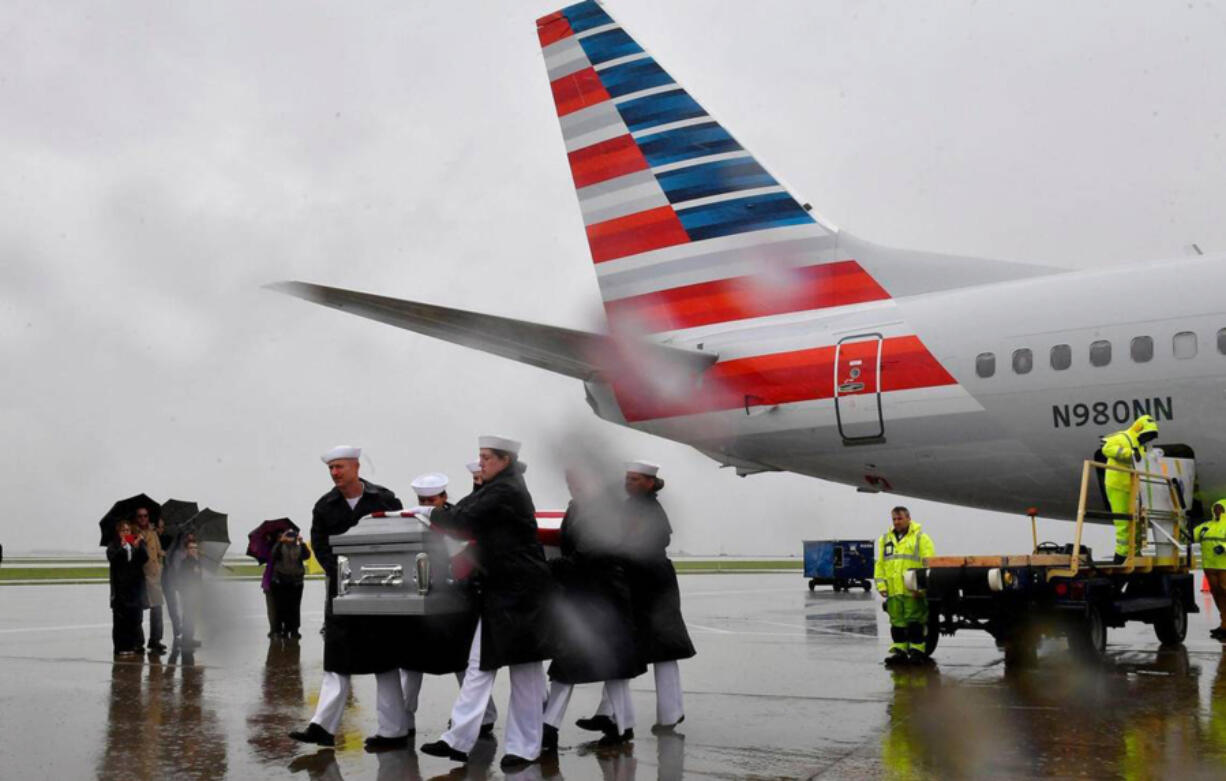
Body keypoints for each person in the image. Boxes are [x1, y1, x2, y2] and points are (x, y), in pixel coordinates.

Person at [420, 435, 552, 771]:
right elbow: (463, 510)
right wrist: (438, 511)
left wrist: (431, 511)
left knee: (525, 672)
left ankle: (525, 747)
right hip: (504, 588)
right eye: (479, 457)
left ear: (504, 460)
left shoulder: (506, 491)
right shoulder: (497, 489)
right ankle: (459, 739)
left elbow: (459, 520)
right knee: (480, 664)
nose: (481, 463)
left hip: (522, 591)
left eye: (486, 457)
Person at [290, 445, 406, 749]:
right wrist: (342, 574)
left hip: (381, 588)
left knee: (386, 661)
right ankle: (322, 727)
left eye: (340, 467)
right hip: (342, 590)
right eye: (331, 468)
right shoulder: (325, 506)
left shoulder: (384, 499)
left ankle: (393, 731)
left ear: (356, 466)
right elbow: (320, 544)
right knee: (337, 658)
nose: (335, 473)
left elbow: (400, 536)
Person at [580, 461, 695, 737]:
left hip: (653, 585)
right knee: (627, 648)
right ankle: (609, 713)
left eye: (634, 479)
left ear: (649, 483)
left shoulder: (648, 510)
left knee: (662, 651)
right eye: (627, 478)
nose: (627, 483)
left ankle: (668, 713)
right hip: (643, 582)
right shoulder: (637, 508)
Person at [543, 467, 644, 752]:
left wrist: (546, 567)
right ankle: (619, 725)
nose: (573, 486)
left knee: (583, 668)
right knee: (584, 667)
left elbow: (587, 556)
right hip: (586, 597)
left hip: (603, 599)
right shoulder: (576, 507)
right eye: (569, 482)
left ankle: (551, 729)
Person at [393, 473, 498, 747]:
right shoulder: (412, 520)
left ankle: (484, 717)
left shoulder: (459, 520)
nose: (427, 504)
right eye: (422, 500)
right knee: (410, 662)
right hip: (422, 600)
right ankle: (404, 719)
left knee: (465, 665)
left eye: (432, 499)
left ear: (444, 498)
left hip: (456, 601)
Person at [874, 507, 936, 666]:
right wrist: (881, 585)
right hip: (894, 591)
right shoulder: (885, 539)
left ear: (908, 518)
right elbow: (880, 564)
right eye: (894, 519)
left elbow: (928, 564)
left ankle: (917, 651)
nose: (896, 522)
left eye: (899, 518)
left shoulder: (921, 538)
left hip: (912, 590)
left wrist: (922, 588)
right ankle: (900, 651)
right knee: (897, 623)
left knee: (915, 621)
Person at [1101, 415, 1159, 563]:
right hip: (1118, 484)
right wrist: (1130, 454)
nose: (1148, 439)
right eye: (1147, 435)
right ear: (1139, 429)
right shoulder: (1122, 437)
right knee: (1124, 522)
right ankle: (1121, 556)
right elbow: (1107, 448)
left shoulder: (1140, 445)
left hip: (1133, 486)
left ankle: (1135, 554)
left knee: (1137, 522)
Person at [107, 519, 148, 656]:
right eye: (123, 530)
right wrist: (121, 547)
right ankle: (120, 647)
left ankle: (132, 645)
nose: (126, 533)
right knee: (120, 621)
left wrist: (140, 544)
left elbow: (144, 558)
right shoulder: (113, 545)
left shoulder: (134, 544)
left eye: (128, 530)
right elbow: (112, 558)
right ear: (118, 533)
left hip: (134, 589)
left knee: (134, 619)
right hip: (120, 590)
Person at [135, 507, 167, 653]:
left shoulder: (153, 532)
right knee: (138, 611)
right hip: (141, 576)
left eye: (145, 516)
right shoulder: (134, 532)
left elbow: (158, 550)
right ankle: (138, 642)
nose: (143, 518)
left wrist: (164, 555)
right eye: (140, 516)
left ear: (148, 517)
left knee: (157, 609)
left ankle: (155, 640)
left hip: (154, 576)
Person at [1194, 499, 1226, 640]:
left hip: (1224, 566)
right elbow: (1191, 536)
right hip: (1210, 566)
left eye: (1220, 508)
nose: (1217, 511)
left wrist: (1224, 548)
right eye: (1216, 508)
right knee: (1217, 595)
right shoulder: (1206, 526)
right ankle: (1224, 624)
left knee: (1224, 593)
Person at [270, 529, 307, 639]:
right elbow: (274, 555)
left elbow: (307, 555)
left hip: (296, 582)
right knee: (280, 607)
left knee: (295, 607)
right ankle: (280, 630)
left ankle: (294, 630)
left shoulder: (299, 547)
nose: (290, 538)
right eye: (288, 536)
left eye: (292, 536)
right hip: (281, 581)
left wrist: (302, 542)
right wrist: (281, 541)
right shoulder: (280, 547)